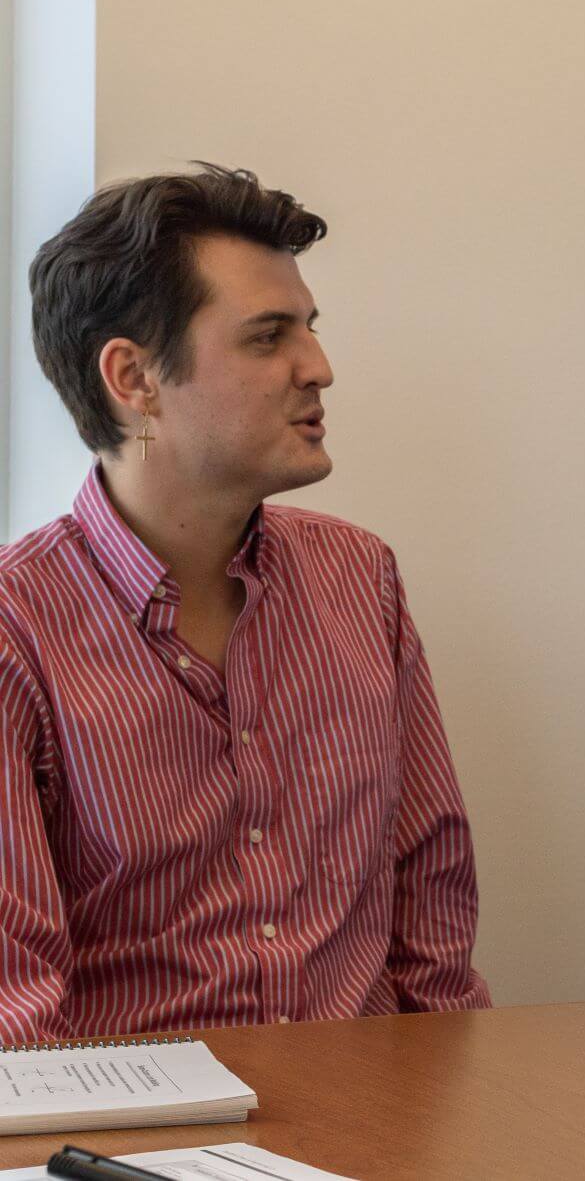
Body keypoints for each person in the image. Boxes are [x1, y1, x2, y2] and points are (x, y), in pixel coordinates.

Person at [0, 164, 491, 1041]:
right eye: (268, 337)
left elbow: (431, 917)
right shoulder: (17, 628)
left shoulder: (359, 577)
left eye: (309, 328)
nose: (320, 368)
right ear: (133, 377)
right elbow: (15, 1012)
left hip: (378, 1110)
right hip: (134, 1119)